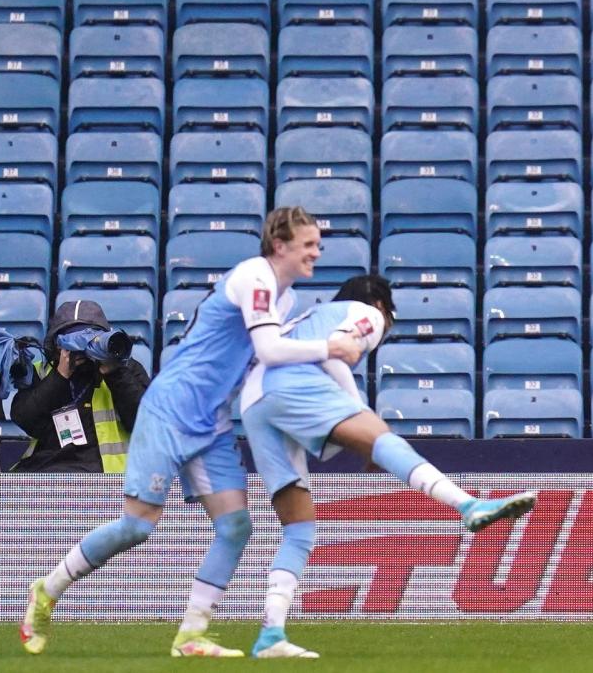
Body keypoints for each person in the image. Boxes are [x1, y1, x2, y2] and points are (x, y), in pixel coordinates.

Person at [21, 207, 366, 658]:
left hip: (213, 422)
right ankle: (46, 591)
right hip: (171, 409)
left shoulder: (285, 302)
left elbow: (265, 363)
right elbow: (269, 349)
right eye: (309, 243)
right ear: (280, 245)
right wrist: (329, 347)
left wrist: (345, 407)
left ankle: (191, 635)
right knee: (137, 527)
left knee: (236, 525)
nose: (318, 251)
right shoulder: (253, 278)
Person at [240, 274, 536, 658]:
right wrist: (362, 419)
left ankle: (270, 635)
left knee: (299, 529)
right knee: (383, 439)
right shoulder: (368, 314)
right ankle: (468, 504)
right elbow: (335, 353)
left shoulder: (312, 316)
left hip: (253, 401)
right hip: (291, 382)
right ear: (382, 305)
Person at [11, 300, 149, 473]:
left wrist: (114, 373)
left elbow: (146, 424)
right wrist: (59, 376)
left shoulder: (127, 368)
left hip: (109, 477)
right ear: (57, 345)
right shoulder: (42, 370)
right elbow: (25, 421)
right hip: (48, 470)